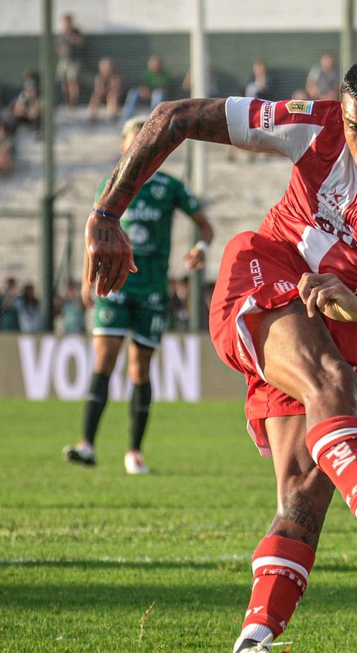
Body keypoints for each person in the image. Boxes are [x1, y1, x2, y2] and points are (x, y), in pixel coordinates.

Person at [83, 55, 357, 653]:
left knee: (305, 489)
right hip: (266, 269)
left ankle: (254, 638)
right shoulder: (315, 125)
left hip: (339, 314)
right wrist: (104, 214)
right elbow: (173, 117)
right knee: (333, 384)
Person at [62, 116, 216, 475]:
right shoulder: (111, 184)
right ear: (123, 146)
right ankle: (87, 444)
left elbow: (205, 226)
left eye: (148, 142)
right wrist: (88, 281)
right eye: (135, 141)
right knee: (104, 361)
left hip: (152, 288)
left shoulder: (170, 186)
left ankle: (134, 451)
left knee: (139, 369)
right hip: (115, 285)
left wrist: (201, 247)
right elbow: (95, 233)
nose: (141, 148)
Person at [121, 55, 172, 122]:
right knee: (133, 92)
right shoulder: (146, 74)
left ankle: (153, 119)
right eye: (152, 64)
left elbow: (166, 89)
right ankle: (125, 119)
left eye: (156, 64)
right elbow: (142, 86)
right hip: (146, 96)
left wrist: (153, 93)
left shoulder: (165, 75)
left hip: (159, 98)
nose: (154, 66)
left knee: (158, 94)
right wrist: (145, 92)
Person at [56, 12, 85, 107]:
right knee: (64, 82)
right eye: (64, 22)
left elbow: (81, 42)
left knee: (73, 81)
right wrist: (61, 50)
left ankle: (73, 102)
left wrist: (71, 37)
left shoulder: (76, 31)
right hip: (64, 61)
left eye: (67, 22)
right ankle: (67, 100)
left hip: (74, 60)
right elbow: (58, 46)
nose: (65, 24)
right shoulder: (61, 34)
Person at [88, 57, 124, 123]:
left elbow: (116, 89)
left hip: (115, 96)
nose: (105, 70)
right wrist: (102, 91)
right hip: (103, 95)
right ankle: (92, 117)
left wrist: (107, 90)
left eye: (106, 68)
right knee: (95, 97)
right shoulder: (99, 77)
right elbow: (98, 89)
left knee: (112, 97)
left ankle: (111, 116)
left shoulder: (116, 76)